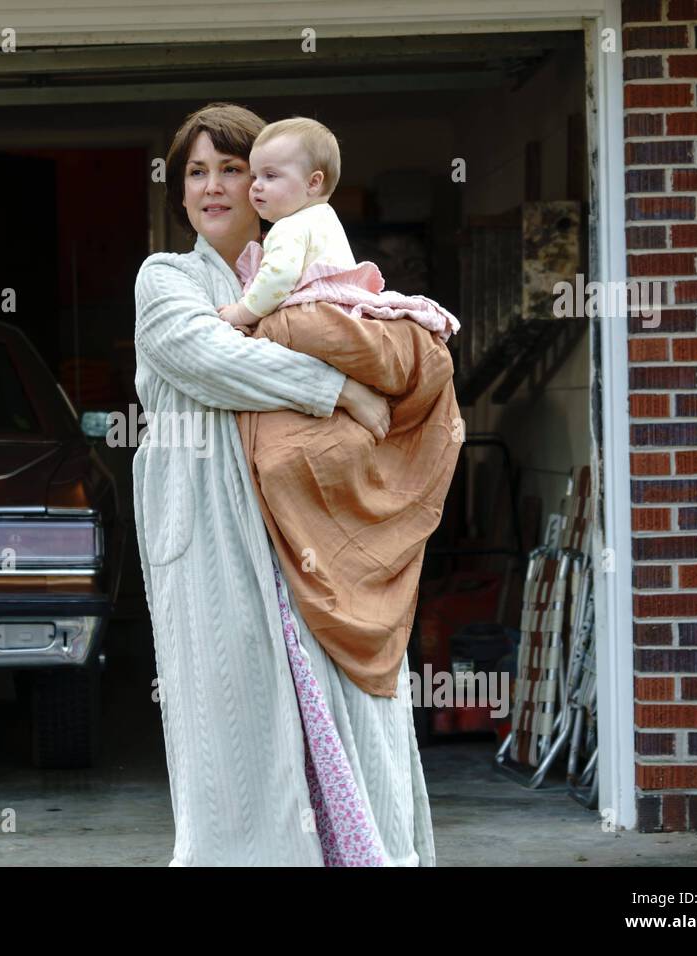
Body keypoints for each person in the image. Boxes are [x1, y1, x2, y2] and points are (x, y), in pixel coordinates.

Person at [133, 101, 436, 866]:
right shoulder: (166, 279)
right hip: (213, 534)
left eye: (231, 169)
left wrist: (358, 383)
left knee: (344, 712)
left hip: (312, 534)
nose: (211, 187)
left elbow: (383, 346)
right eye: (195, 173)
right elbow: (210, 356)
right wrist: (338, 390)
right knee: (235, 732)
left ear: (279, 181)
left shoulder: (315, 278)